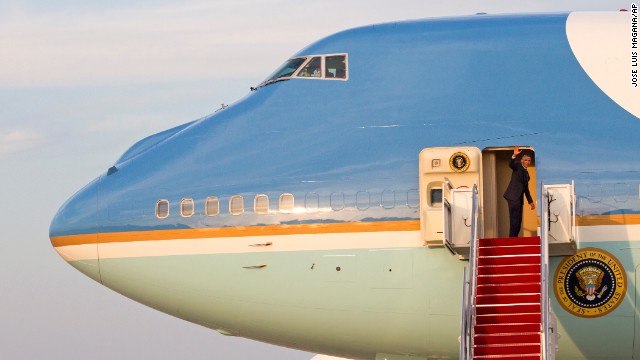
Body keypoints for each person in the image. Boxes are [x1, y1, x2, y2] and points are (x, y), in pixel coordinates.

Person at [503, 145, 535, 237]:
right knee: (514, 218)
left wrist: (531, 201)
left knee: (518, 219)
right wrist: (514, 155)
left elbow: (526, 189)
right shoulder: (517, 167)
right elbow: (511, 164)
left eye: (529, 160)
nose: (527, 162)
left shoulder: (527, 174)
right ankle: (512, 238)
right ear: (522, 161)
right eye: (525, 160)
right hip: (512, 196)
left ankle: (514, 237)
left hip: (519, 199)